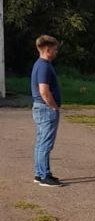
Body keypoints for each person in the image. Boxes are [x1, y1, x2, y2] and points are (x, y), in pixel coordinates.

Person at [31, 35, 63, 187]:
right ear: (48, 49)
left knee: (41, 142)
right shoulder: (44, 66)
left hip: (40, 108)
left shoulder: (40, 64)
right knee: (45, 143)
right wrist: (53, 106)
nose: (56, 52)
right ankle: (44, 176)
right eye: (55, 49)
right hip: (45, 109)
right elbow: (44, 90)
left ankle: (41, 173)